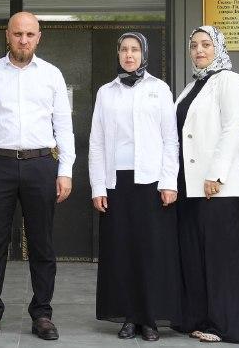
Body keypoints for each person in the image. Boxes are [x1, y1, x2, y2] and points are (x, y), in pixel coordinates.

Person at [0, 11, 76, 341]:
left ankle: (42, 314)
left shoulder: (52, 75)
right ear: (7, 35)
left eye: (29, 34)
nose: (23, 40)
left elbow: (64, 126)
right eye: (17, 34)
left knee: (42, 243)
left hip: (40, 165)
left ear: (39, 37)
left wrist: (65, 171)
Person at [89, 32, 181, 342]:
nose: (129, 55)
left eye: (135, 49)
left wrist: (169, 181)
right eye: (124, 50)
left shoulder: (159, 89)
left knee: (151, 251)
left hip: (151, 182)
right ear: (118, 54)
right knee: (122, 251)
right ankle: (129, 316)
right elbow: (97, 142)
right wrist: (98, 187)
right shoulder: (106, 92)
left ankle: (150, 317)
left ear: (144, 54)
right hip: (116, 183)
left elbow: (170, 139)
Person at [173, 25, 239, 343]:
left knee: (222, 258)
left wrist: (217, 174)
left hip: (217, 187)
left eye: (206, 44)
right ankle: (199, 317)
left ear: (218, 48)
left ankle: (227, 324)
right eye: (194, 45)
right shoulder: (192, 86)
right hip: (189, 185)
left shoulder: (229, 80)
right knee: (195, 254)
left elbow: (233, 128)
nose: (199, 50)